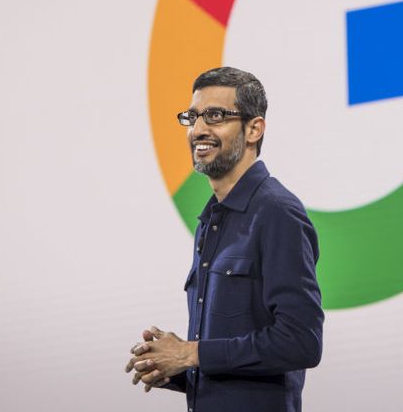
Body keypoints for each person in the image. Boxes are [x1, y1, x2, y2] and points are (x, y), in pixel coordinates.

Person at [125, 67, 324, 411]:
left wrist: (191, 353)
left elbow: (301, 342)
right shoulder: (210, 221)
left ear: (254, 129)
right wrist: (174, 367)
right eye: (193, 117)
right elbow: (231, 361)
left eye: (215, 116)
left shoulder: (277, 212)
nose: (198, 130)